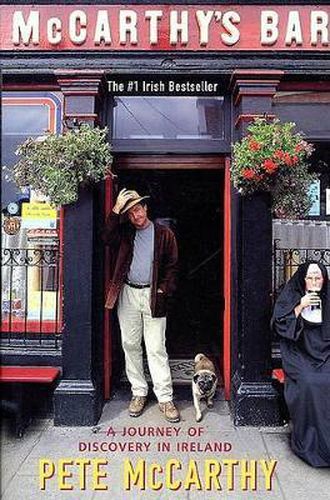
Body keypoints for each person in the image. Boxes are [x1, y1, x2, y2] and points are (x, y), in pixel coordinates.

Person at [102, 188, 180, 423]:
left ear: (146, 208)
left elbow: (173, 267)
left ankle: (165, 398)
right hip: (128, 292)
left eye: (138, 209)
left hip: (153, 295)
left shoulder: (164, 234)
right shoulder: (125, 233)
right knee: (130, 343)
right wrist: (116, 209)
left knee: (156, 347)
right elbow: (106, 237)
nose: (136, 215)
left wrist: (162, 289)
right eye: (130, 212)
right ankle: (138, 392)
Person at [271, 261, 330, 467]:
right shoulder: (292, 296)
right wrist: (300, 306)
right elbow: (279, 324)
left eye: (318, 278)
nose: (314, 282)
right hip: (299, 355)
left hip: (325, 355)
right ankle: (311, 443)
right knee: (312, 384)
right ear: (303, 280)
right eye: (310, 278)